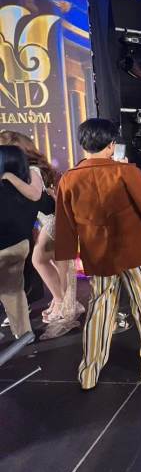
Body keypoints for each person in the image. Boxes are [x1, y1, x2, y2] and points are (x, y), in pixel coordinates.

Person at [54, 118, 141, 389]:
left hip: (98, 254)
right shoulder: (127, 173)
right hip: (135, 250)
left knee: (99, 309)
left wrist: (67, 255)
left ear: (83, 145)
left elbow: (65, 224)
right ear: (112, 145)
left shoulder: (69, 179)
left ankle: (89, 371)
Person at [0, 130, 83, 337]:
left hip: (55, 220)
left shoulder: (32, 169)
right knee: (48, 261)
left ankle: (63, 302)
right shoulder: (27, 170)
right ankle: (62, 301)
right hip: (49, 220)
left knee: (42, 260)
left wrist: (9, 177)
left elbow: (35, 194)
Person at [0, 145, 53, 339]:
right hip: (20, 246)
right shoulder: (29, 189)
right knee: (14, 293)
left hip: (3, 246)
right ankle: (24, 335)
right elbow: (49, 206)